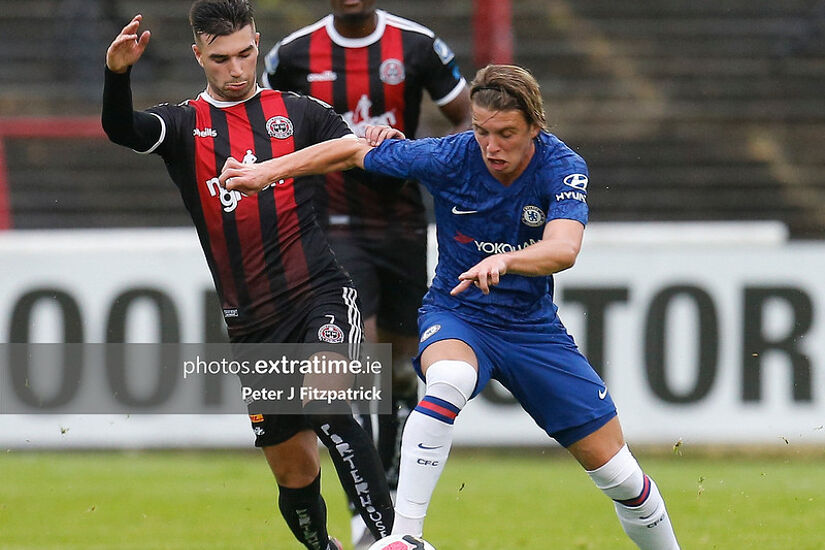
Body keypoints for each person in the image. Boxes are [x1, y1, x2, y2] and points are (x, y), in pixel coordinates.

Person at [218, 63, 682, 549]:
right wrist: (264, 172)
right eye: (481, 131)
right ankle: (405, 538)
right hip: (457, 312)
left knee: (623, 479)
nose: (491, 147)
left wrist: (507, 261)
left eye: (506, 134)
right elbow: (354, 150)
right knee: (451, 379)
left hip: (532, 330)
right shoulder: (451, 156)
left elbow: (563, 249)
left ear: (535, 127)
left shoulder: (563, 167)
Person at [101, 2, 394, 549]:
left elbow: (354, 148)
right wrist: (117, 74)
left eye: (245, 54)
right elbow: (123, 129)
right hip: (252, 325)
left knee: (327, 401)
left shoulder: (299, 112)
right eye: (220, 59)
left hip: (318, 295)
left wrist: (375, 139)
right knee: (293, 470)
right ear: (198, 57)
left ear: (257, 42)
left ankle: (393, 540)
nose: (236, 70)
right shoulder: (184, 124)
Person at [262, 5, 470, 545]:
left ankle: (393, 497)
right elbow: (258, 131)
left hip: (403, 227)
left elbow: (470, 122)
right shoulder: (292, 55)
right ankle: (366, 514)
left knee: (402, 371)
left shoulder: (418, 46)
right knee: (364, 365)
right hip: (332, 227)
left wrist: (425, 163)